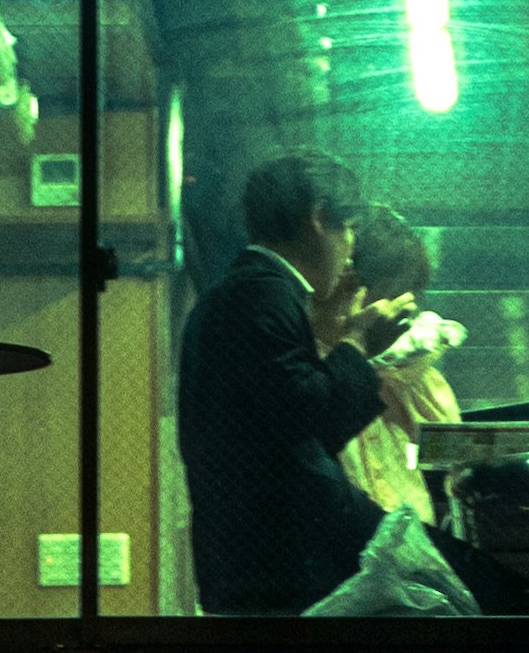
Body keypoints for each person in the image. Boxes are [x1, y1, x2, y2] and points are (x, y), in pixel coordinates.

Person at [174, 148, 414, 613]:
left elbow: (293, 423)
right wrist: (357, 345)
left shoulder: (252, 291)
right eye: (348, 231)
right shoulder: (260, 294)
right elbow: (312, 416)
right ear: (320, 218)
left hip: (259, 567)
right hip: (275, 573)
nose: (347, 254)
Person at [342, 211, 467, 529]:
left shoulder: (419, 380)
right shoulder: (323, 379)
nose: (408, 306)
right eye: (393, 291)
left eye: (414, 292)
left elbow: (456, 477)